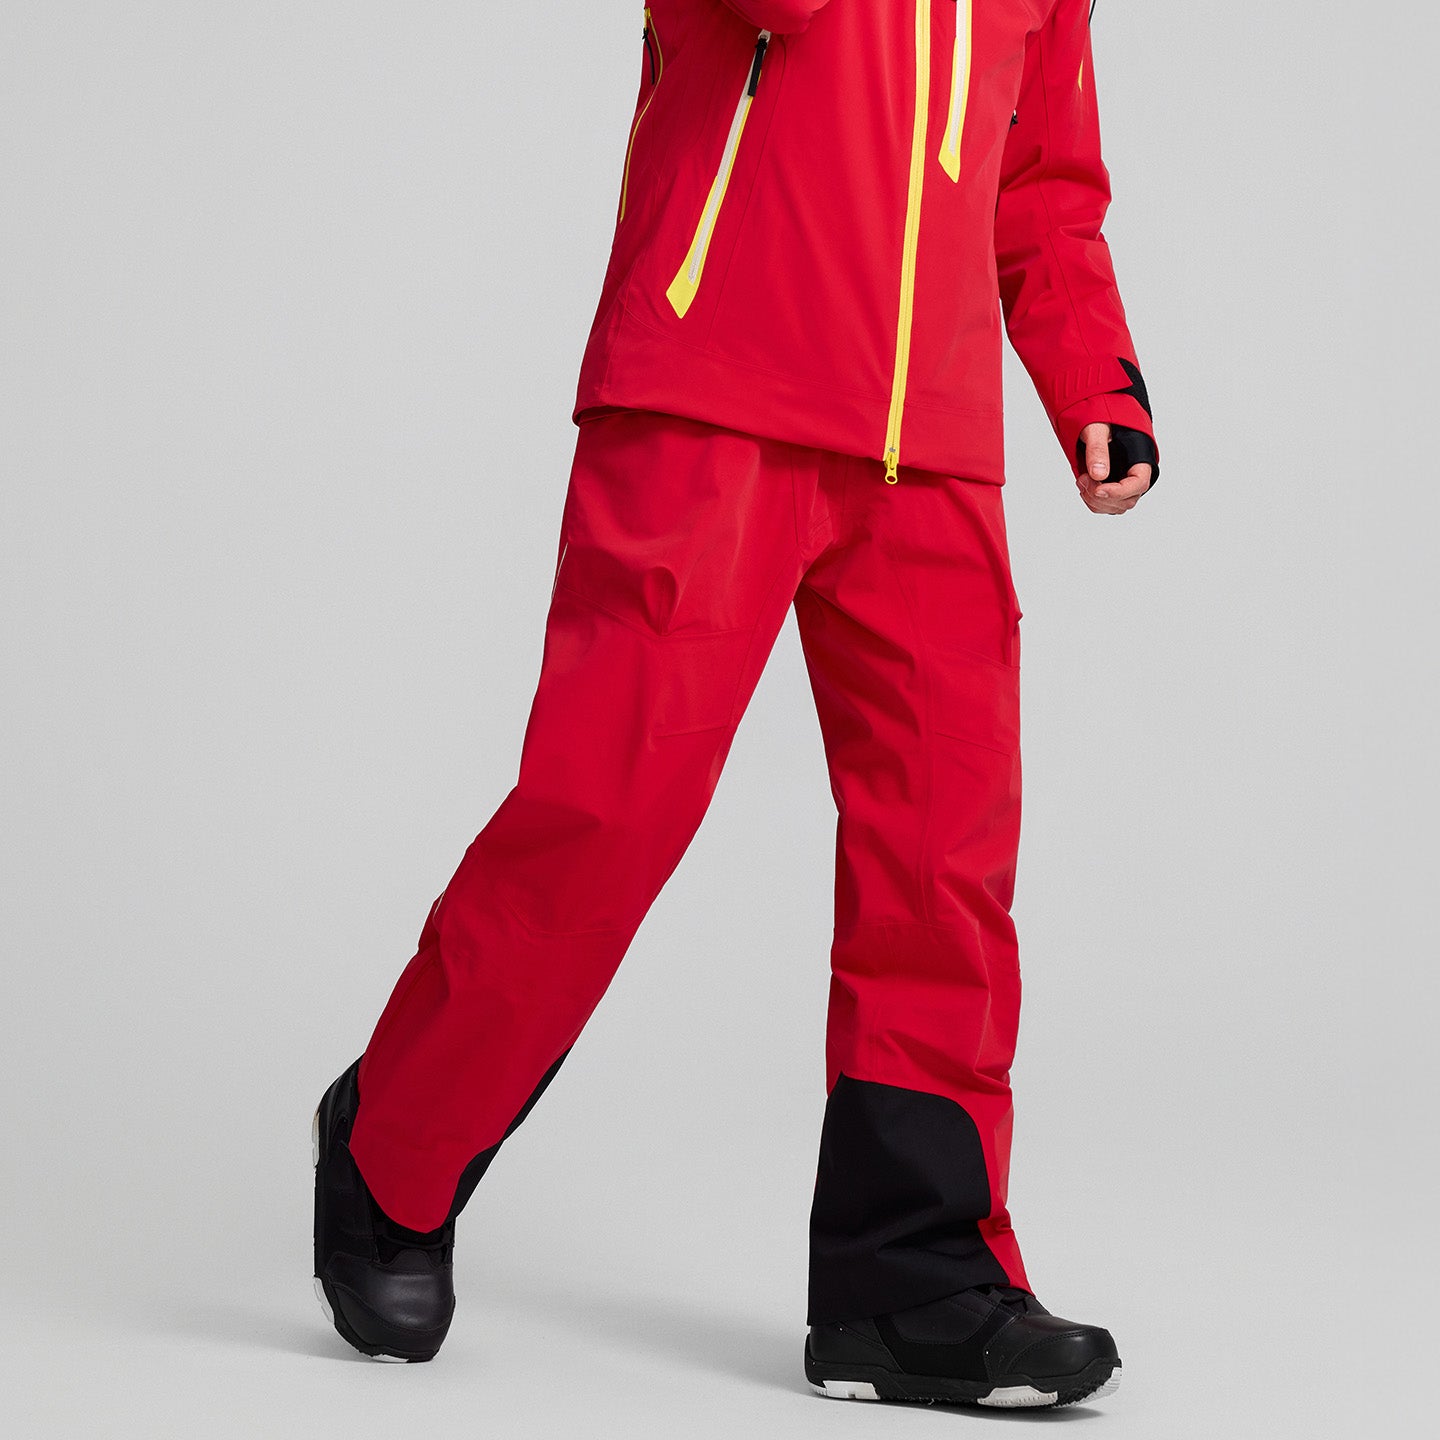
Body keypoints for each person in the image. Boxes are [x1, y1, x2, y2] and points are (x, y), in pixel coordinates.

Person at [312, 0, 1158, 1409]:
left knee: (943, 859)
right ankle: (391, 1144)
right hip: (714, 385)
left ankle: (914, 1282)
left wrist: (1090, 368)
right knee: (609, 812)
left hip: (930, 439)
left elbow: (1040, 174)